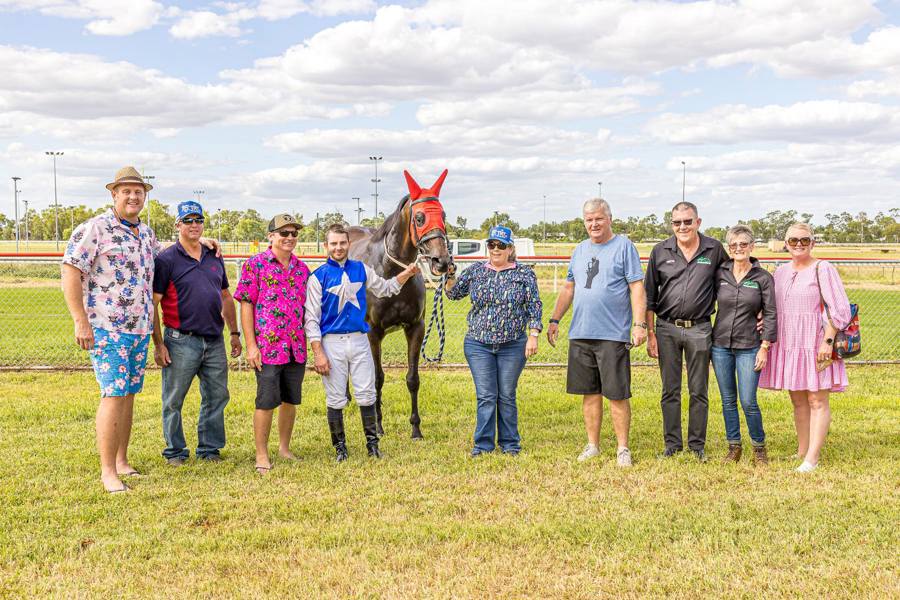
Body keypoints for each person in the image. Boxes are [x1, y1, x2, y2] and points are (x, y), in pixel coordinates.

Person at [61, 166, 160, 493]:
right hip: (107, 326)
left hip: (139, 328)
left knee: (128, 395)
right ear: (114, 194)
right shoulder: (96, 228)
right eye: (126, 191)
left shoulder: (146, 234)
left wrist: (202, 240)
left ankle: (121, 460)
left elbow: (166, 261)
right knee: (113, 394)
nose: (133, 197)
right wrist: (80, 319)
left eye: (138, 191)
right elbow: (71, 270)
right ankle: (108, 472)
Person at [304, 224, 418, 461]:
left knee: (367, 393)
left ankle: (372, 445)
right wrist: (318, 352)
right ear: (326, 246)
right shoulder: (317, 277)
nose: (338, 248)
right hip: (332, 342)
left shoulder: (362, 269)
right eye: (333, 244)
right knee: (336, 397)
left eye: (342, 243)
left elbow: (385, 288)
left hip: (359, 340)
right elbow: (311, 319)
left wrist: (406, 274)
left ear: (348, 244)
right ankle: (340, 448)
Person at [546, 199, 646, 467]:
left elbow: (636, 287)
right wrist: (555, 319)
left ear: (609, 219)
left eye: (599, 218)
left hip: (612, 334)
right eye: (589, 220)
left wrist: (639, 324)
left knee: (617, 394)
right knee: (589, 393)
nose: (594, 224)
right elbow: (569, 287)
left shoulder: (624, 247)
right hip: (581, 332)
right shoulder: (579, 250)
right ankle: (593, 444)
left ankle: (623, 448)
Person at [151, 201, 242, 466]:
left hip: (214, 339)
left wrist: (234, 332)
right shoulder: (166, 259)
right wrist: (159, 344)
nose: (194, 225)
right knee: (173, 399)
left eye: (198, 220)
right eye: (188, 220)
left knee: (217, 396)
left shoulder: (214, 254)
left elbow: (225, 296)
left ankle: (209, 449)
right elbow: (153, 304)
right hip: (180, 340)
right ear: (177, 224)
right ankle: (175, 451)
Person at [760, 223, 851, 472]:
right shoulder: (780, 272)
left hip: (815, 342)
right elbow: (772, 305)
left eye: (804, 240)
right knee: (798, 399)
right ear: (785, 243)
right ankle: (802, 450)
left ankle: (812, 458)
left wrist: (828, 341)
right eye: (793, 240)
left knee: (817, 399)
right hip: (789, 342)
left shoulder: (823, 268)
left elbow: (840, 309)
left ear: (813, 242)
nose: (798, 244)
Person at [445, 225, 542, 457]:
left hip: (513, 344)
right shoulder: (476, 271)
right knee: (486, 395)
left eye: (501, 245)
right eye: (492, 244)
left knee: (506, 394)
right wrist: (449, 274)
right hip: (478, 344)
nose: (496, 249)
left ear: (510, 248)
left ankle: (510, 444)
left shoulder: (524, 274)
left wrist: (533, 335)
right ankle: (483, 445)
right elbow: (453, 293)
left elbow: (534, 305)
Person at [645, 201, 727, 461]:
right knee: (670, 390)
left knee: (698, 390)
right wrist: (650, 333)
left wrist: (757, 306)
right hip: (666, 328)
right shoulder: (660, 251)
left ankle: (697, 445)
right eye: (677, 222)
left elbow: (732, 280)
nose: (682, 227)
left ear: (698, 222)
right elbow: (649, 295)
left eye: (687, 221)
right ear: (672, 224)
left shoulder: (714, 249)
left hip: (699, 328)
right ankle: (672, 445)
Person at [234, 214, 310, 474]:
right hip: (268, 347)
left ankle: (284, 448)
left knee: (290, 400)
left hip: (295, 345)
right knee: (266, 401)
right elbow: (246, 304)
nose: (289, 238)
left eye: (293, 233)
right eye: (283, 233)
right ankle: (261, 454)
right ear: (271, 236)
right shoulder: (255, 265)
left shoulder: (302, 269)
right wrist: (251, 345)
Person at [710, 225, 776, 464]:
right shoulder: (720, 274)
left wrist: (765, 346)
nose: (738, 248)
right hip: (720, 346)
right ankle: (734, 446)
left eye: (743, 244)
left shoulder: (763, 278)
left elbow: (770, 313)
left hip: (749, 346)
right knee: (728, 400)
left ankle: (759, 448)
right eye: (734, 245)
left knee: (748, 401)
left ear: (752, 247)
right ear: (729, 248)